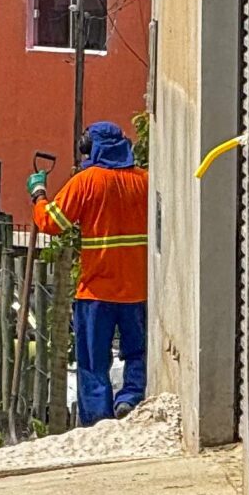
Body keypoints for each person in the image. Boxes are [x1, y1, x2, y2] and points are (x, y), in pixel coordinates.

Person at [32, 120, 150, 425]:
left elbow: (51, 223)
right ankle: (130, 397)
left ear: (91, 148)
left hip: (96, 291)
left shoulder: (86, 182)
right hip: (137, 289)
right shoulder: (145, 181)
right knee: (138, 352)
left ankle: (98, 418)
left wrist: (38, 195)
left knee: (93, 360)